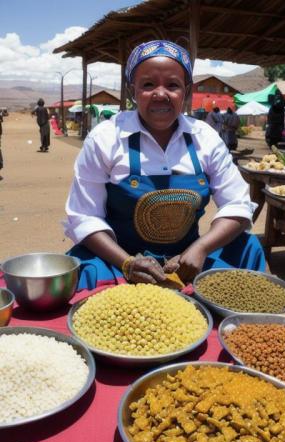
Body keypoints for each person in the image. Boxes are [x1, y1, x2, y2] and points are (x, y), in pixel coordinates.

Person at [64, 40, 265, 290]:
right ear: (132, 91)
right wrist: (127, 263)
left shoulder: (205, 138)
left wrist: (200, 248)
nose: (161, 94)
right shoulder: (105, 139)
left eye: (173, 85)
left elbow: (237, 205)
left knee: (248, 247)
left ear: (187, 91)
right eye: (148, 85)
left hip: (188, 261)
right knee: (86, 271)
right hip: (119, 259)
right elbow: (84, 217)